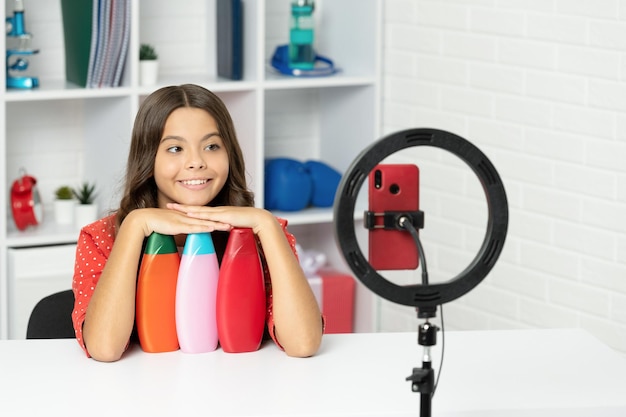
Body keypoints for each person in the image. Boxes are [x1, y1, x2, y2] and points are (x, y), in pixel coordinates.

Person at [71, 84, 323, 362]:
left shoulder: (264, 233)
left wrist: (266, 224)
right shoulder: (101, 238)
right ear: (148, 157)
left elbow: (303, 343)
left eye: (212, 146)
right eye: (175, 148)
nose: (196, 162)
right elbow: (104, 349)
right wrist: (134, 226)